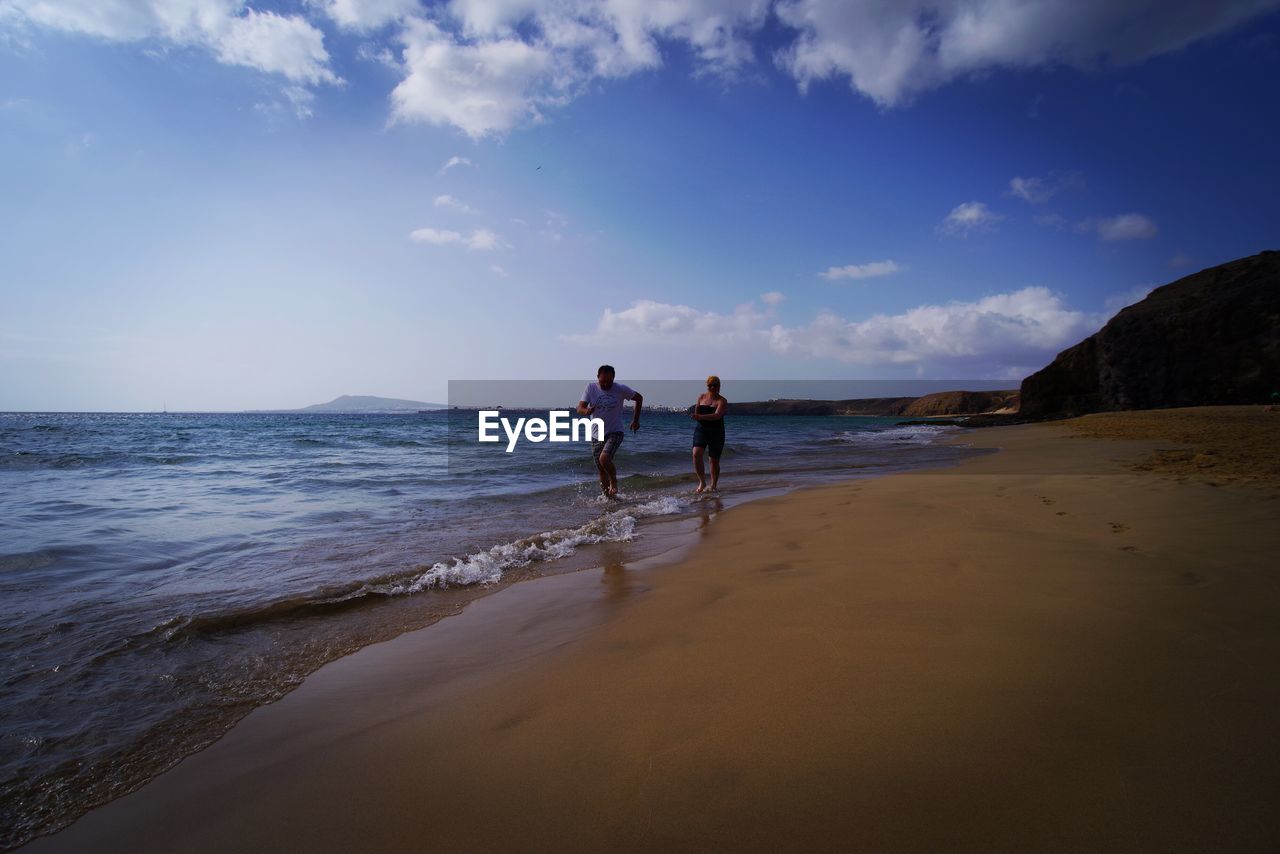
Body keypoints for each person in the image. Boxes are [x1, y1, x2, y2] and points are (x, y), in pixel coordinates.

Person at [577, 365, 642, 498]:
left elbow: (639, 398)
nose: (606, 384)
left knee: (604, 458)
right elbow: (580, 407)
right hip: (596, 433)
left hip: (615, 431)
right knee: (601, 468)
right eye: (603, 381)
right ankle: (609, 500)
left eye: (609, 381)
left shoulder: (620, 389)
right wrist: (587, 411)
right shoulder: (591, 388)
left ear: (614, 378)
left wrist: (635, 420)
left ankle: (614, 481)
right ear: (597, 378)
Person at [690, 375, 727, 493]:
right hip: (701, 429)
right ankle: (702, 482)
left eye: (715, 385)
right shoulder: (701, 397)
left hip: (716, 431)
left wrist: (700, 416)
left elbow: (717, 416)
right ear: (707, 386)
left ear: (719, 386)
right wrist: (696, 416)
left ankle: (713, 485)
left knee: (713, 460)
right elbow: (696, 413)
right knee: (696, 454)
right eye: (710, 385)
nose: (713, 388)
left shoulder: (722, 400)